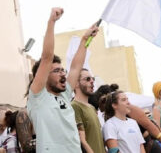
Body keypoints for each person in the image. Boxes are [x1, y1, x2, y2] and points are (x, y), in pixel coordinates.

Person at [26, 8, 98, 152]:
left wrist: (85, 39)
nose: (63, 74)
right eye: (57, 71)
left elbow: (76, 66)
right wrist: (51, 22)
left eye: (62, 70)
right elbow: (47, 58)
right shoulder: (38, 97)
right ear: (43, 76)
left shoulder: (65, 95)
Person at [71, 69, 105, 153]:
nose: (92, 81)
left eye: (93, 79)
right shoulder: (74, 106)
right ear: (76, 84)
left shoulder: (92, 108)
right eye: (87, 79)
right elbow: (82, 141)